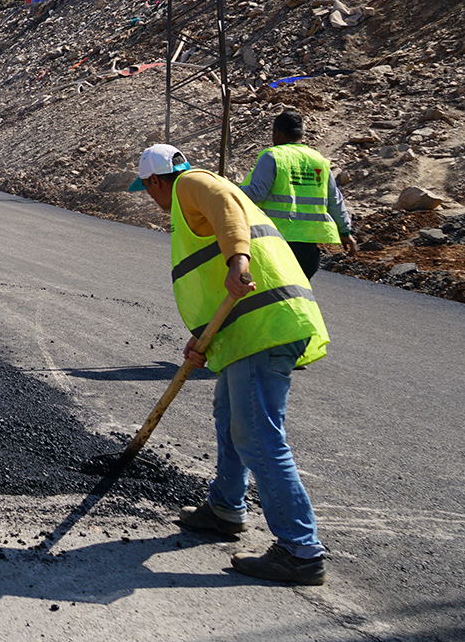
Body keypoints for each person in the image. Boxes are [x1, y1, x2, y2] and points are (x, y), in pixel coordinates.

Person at [130, 143, 332, 586]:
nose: (152, 200)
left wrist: (237, 260)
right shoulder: (192, 196)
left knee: (257, 435)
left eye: (147, 190)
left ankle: (300, 549)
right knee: (228, 416)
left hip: (266, 328)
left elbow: (225, 207)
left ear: (155, 181)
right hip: (248, 329)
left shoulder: (192, 184)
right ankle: (225, 507)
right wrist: (206, 336)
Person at [239, 111, 356, 280]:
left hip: (275, 239)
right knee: (298, 289)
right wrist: (345, 232)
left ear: (277, 132)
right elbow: (334, 200)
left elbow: (257, 193)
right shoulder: (319, 160)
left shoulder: (273, 156)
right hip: (308, 245)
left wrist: (230, 189)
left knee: (274, 290)